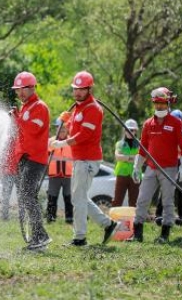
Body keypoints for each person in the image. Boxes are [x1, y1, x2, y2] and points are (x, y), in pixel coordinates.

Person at [50, 71, 119, 247]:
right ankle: (108, 225)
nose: (77, 93)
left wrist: (61, 144)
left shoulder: (94, 109)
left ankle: (80, 238)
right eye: (75, 89)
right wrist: (65, 121)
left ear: (89, 89)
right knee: (79, 197)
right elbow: (73, 129)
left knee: (78, 198)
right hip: (80, 159)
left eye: (81, 89)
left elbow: (84, 135)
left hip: (88, 159)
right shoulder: (79, 109)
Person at [128, 87, 182, 244]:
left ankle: (165, 234)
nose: (159, 107)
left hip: (169, 169)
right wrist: (136, 167)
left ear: (168, 103)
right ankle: (137, 233)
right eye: (156, 104)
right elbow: (143, 148)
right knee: (142, 199)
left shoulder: (176, 123)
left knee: (167, 202)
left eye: (162, 104)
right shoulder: (148, 124)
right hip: (151, 168)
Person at [10, 71, 52, 251]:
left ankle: (41, 236)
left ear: (32, 88)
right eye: (17, 90)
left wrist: (17, 119)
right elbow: (21, 134)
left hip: (36, 159)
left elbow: (33, 130)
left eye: (23, 90)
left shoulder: (39, 107)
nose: (20, 93)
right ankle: (38, 237)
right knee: (27, 196)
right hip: (26, 159)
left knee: (27, 195)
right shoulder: (25, 108)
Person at [155, 108, 182, 226]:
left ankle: (181, 217)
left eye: (179, 120)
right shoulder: (165, 130)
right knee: (165, 189)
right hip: (169, 162)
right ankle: (159, 215)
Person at [46, 119, 73, 223]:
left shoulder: (71, 141)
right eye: (60, 129)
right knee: (52, 197)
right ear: (56, 129)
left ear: (67, 130)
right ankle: (51, 218)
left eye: (64, 129)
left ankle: (69, 218)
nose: (61, 131)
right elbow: (49, 148)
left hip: (68, 175)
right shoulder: (51, 141)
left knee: (68, 197)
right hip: (54, 175)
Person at [112, 119, 140, 207]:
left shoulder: (140, 144)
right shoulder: (119, 144)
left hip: (135, 175)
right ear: (124, 130)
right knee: (117, 200)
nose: (130, 132)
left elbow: (141, 159)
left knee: (134, 201)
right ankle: (114, 220)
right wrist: (133, 157)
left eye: (132, 130)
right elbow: (118, 157)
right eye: (128, 129)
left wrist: (125, 157)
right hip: (121, 174)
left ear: (136, 131)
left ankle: (134, 220)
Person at [0, 123, 18, 221]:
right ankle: (4, 216)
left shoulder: (20, 140)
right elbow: (2, 156)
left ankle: (22, 217)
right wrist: (2, 168)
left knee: (22, 195)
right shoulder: (5, 140)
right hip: (8, 172)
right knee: (6, 195)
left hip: (18, 171)